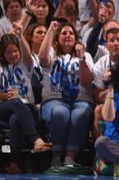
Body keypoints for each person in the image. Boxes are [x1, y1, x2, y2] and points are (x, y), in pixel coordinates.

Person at [0, 27, 51, 174]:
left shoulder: (25, 62)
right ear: (2, 52)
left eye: (15, 51)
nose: (13, 55)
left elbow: (27, 55)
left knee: (16, 118)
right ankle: (36, 139)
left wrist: (21, 36)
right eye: (8, 52)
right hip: (2, 107)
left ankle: (14, 163)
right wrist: (5, 96)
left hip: (27, 107)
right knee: (15, 102)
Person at [38, 20, 95, 171]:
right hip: (54, 99)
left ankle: (70, 157)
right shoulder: (52, 53)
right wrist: (50, 30)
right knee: (60, 112)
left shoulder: (85, 56)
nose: (68, 35)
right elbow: (42, 57)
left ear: (76, 39)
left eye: (71, 33)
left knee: (80, 113)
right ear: (58, 38)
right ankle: (56, 156)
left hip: (80, 99)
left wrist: (82, 59)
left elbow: (87, 81)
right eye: (64, 33)